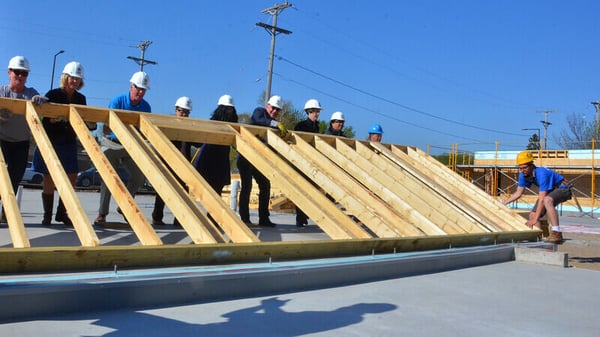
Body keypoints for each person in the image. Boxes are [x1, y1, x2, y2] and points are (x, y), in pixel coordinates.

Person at [32, 61, 95, 226]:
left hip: (68, 141)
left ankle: (62, 213)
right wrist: (56, 118)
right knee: (49, 178)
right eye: (71, 78)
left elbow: (83, 119)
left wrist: (89, 123)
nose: (74, 81)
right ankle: (47, 215)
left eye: (77, 79)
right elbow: (43, 120)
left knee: (72, 177)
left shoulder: (81, 99)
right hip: (51, 141)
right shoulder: (53, 94)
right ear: (65, 78)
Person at [94, 71, 151, 225]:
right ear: (131, 86)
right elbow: (107, 125)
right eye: (137, 88)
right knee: (109, 177)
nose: (140, 92)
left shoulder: (146, 107)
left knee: (138, 177)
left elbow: (144, 130)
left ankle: (125, 206)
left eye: (143, 90)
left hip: (130, 145)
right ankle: (102, 214)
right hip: (111, 142)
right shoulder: (118, 101)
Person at [0, 56, 46, 222]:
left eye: (24, 73)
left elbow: (45, 103)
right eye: (17, 72)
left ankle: (7, 212)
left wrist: (41, 101)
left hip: (21, 143)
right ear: (9, 73)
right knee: (1, 177)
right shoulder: (2, 92)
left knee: (15, 177)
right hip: (2, 140)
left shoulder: (31, 93)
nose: (20, 76)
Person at [237, 95, 286, 227]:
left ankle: (264, 218)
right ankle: (245, 219)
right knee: (247, 187)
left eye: (277, 110)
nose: (274, 111)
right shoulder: (259, 112)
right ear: (267, 106)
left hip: (259, 160)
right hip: (246, 157)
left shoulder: (273, 126)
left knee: (265, 185)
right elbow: (258, 120)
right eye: (273, 108)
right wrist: (275, 124)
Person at [502, 150, 571, 244]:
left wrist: (535, 220)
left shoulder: (542, 173)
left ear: (531, 165)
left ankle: (556, 232)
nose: (522, 170)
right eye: (520, 168)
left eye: (525, 167)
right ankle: (537, 238)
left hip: (563, 188)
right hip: (550, 191)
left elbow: (542, 198)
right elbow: (518, 193)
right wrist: (504, 203)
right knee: (532, 215)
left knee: (547, 200)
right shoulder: (523, 175)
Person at [152, 96, 194, 226]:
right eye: (181, 111)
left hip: (183, 163)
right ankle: (157, 217)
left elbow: (197, 143)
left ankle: (180, 219)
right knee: (163, 189)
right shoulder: (168, 124)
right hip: (168, 161)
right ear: (176, 110)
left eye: (186, 112)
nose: (184, 114)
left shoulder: (190, 127)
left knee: (183, 192)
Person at [293, 98, 323, 227]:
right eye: (315, 111)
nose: (317, 114)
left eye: (318, 111)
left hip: (312, 162)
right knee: (301, 190)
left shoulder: (316, 126)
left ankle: (304, 215)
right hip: (301, 161)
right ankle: (300, 217)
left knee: (310, 190)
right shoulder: (301, 126)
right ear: (309, 111)